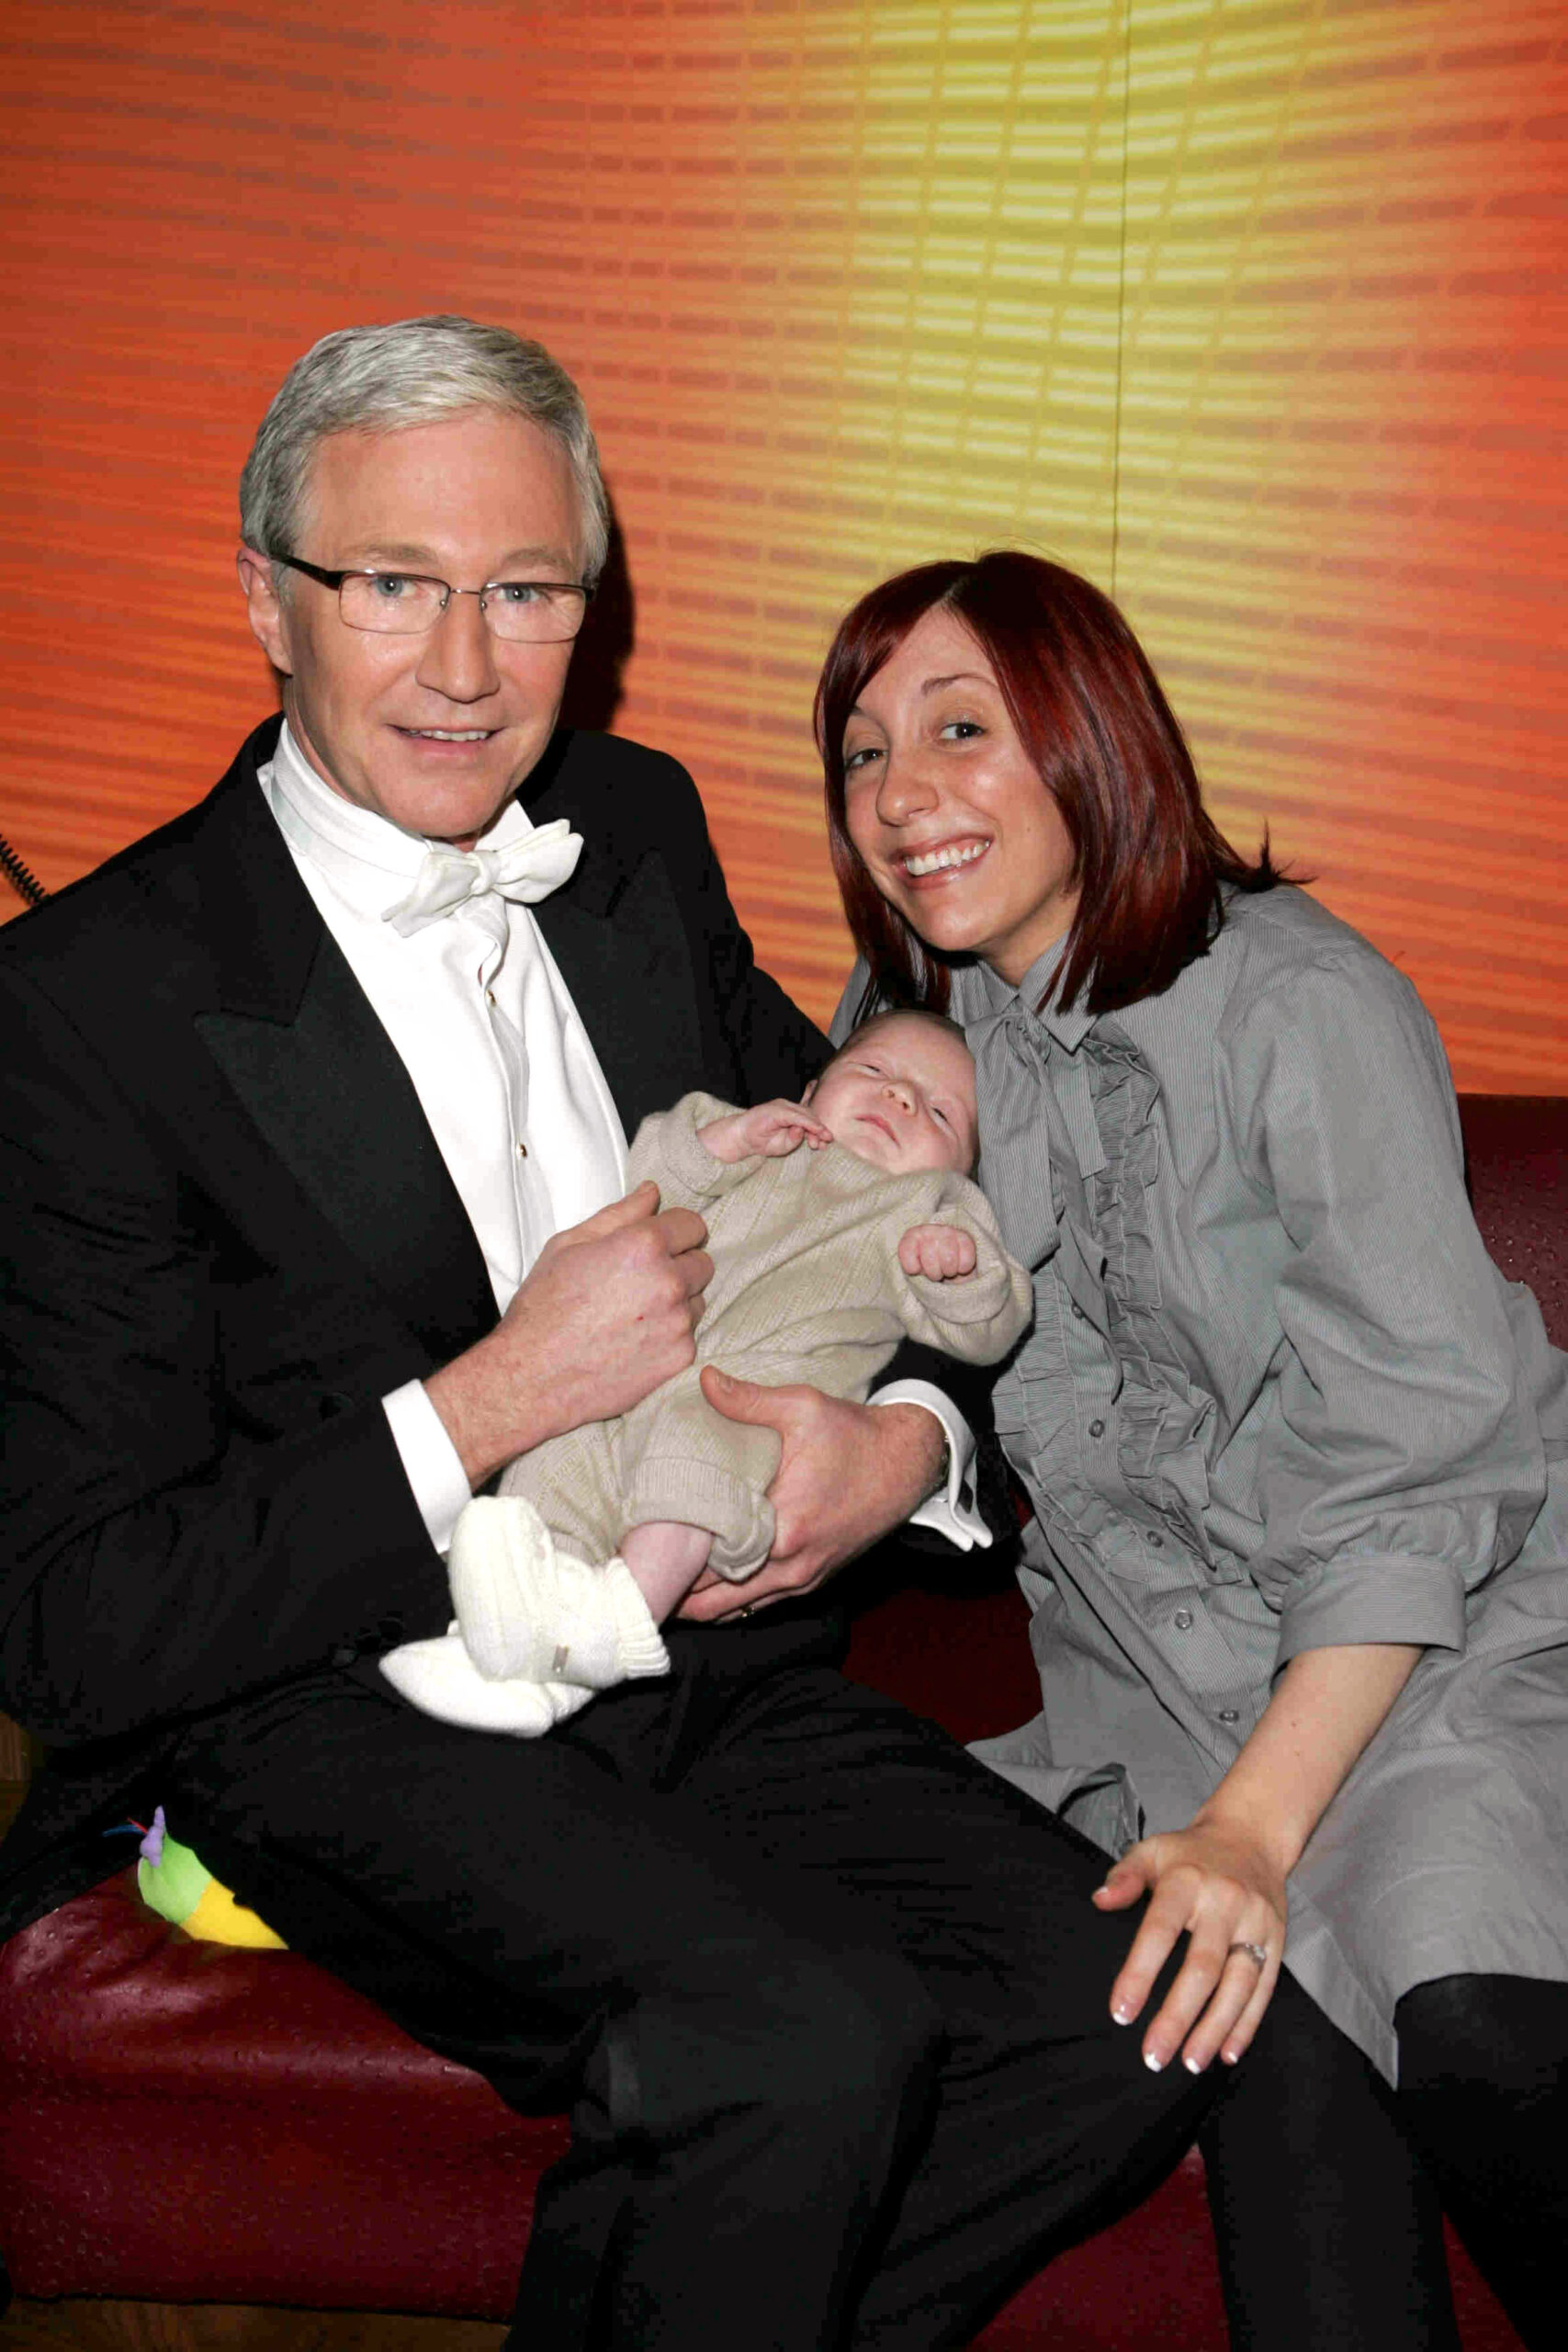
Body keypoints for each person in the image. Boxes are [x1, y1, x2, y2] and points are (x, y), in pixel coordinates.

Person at [0, 320, 1216, 2350]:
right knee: (794, 2037)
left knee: (1134, 2012)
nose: (467, 667)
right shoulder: (82, 1004)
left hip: (700, 1629)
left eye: (528, 591)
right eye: (393, 584)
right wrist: (486, 1400)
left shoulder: (631, 829)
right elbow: (74, 1612)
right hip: (338, 1685)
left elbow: (880, 1193)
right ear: (264, 602)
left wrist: (903, 1440)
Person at [816, 547, 1568, 2352]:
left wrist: (1251, 1820)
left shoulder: (1300, 999)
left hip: (1418, 1633)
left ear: (1091, 733)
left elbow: (1421, 1463)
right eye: (856, 751)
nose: (900, 791)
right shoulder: (904, 1038)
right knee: (1245, 2026)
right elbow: (849, 1335)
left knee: (1456, 2021)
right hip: (1144, 1677)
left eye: (959, 727)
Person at [381, 1009, 1033, 1733]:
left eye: (939, 1111)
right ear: (812, 1088)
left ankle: (625, 1619)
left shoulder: (929, 1209)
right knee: (558, 1455)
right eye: (874, 1072)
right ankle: (517, 1655)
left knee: (694, 1457)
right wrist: (728, 1140)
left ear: (963, 1172)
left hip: (752, 1402)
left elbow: (992, 1321)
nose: (901, 1098)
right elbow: (650, 1181)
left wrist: (958, 1269)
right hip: (630, 1371)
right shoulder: (756, 1139)